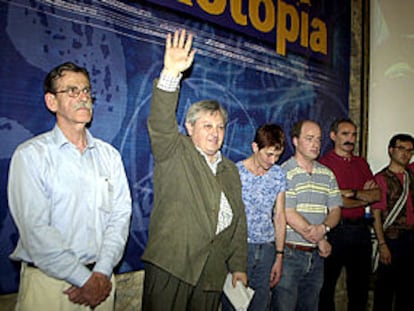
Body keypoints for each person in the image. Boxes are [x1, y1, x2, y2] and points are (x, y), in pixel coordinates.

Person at [7, 62, 132, 310]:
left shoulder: (110, 156)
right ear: (51, 102)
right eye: (72, 91)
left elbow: (120, 217)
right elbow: (36, 231)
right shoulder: (31, 156)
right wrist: (84, 279)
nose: (83, 97)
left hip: (103, 282)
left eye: (86, 91)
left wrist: (101, 273)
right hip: (52, 287)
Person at [142, 29, 248, 311]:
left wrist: (238, 266)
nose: (215, 133)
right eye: (207, 126)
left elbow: (237, 222)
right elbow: (160, 120)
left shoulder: (230, 170)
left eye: (220, 127)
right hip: (171, 268)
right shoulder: (174, 150)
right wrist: (171, 73)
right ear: (189, 128)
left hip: (211, 276)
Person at [271, 120, 342, 311]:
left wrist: (324, 228)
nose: (316, 144)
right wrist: (320, 239)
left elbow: (335, 210)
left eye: (318, 139)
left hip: (317, 258)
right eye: (309, 139)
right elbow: (288, 212)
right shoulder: (284, 172)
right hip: (290, 254)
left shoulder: (327, 174)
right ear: (295, 141)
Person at [222, 124, 287, 311]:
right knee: (234, 304)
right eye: (269, 154)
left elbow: (280, 215)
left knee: (260, 304)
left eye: (277, 156)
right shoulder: (236, 173)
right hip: (240, 250)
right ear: (255, 147)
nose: (273, 161)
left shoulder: (278, 175)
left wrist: (279, 255)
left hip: (267, 248)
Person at [318, 118, 381, 311]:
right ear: (333, 136)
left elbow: (376, 194)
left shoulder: (361, 163)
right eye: (345, 134)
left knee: (359, 289)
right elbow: (333, 200)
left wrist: (350, 193)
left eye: (353, 134)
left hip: (361, 232)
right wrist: (362, 197)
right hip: (336, 230)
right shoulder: (323, 164)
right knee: (326, 288)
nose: (350, 139)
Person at [371, 133, 414, 311]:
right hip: (392, 240)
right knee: (384, 293)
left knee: (407, 292)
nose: (406, 154)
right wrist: (382, 244)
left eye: (410, 150)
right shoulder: (381, 178)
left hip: (411, 239)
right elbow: (376, 213)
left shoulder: (411, 175)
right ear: (391, 150)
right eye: (401, 149)